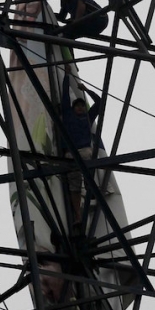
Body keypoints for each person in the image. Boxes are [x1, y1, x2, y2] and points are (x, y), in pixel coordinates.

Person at [59, 75, 105, 225]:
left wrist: (87, 90)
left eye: (82, 105)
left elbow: (99, 102)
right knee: (75, 186)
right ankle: (78, 215)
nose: (80, 107)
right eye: (77, 106)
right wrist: (66, 76)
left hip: (84, 151)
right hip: (71, 154)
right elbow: (65, 96)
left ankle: (90, 196)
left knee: (88, 177)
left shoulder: (87, 117)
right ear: (73, 108)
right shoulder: (68, 115)